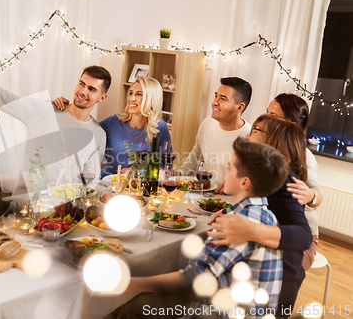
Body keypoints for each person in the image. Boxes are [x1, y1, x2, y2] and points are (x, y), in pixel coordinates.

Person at [118, 137, 288, 319]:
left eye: (230, 167)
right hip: (249, 306)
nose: (225, 171)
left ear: (244, 183)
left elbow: (193, 278)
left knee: (135, 305)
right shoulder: (266, 214)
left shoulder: (237, 223)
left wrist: (126, 284)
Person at [0, 37, 110, 195]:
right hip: (25, 205)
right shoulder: (43, 110)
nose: (83, 91)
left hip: (64, 212)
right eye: (81, 84)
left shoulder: (98, 135)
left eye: (92, 89)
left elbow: (89, 180)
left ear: (102, 97)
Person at [207, 114, 312, 318]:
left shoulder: (285, 181)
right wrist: (230, 212)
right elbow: (265, 208)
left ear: (273, 141)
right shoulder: (268, 176)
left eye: (255, 130)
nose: (247, 134)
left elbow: (303, 235)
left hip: (277, 283)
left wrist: (250, 230)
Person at [52, 77, 171, 177]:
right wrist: (65, 110)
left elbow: (166, 167)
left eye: (138, 94)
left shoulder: (161, 128)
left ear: (151, 98)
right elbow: (85, 131)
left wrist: (138, 172)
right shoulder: (113, 122)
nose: (131, 99)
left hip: (140, 188)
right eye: (131, 93)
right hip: (106, 185)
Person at [267, 93, 323, 269]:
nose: (265, 119)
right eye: (267, 113)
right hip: (273, 229)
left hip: (302, 240)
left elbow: (318, 195)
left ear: (290, 124)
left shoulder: (304, 155)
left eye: (273, 116)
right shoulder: (267, 150)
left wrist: (311, 195)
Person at [176, 77, 252, 186]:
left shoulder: (251, 137)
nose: (214, 102)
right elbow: (196, 156)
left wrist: (234, 184)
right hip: (205, 193)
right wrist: (179, 173)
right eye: (216, 96)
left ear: (239, 108)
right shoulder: (207, 123)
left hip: (231, 198)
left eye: (222, 99)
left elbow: (252, 178)